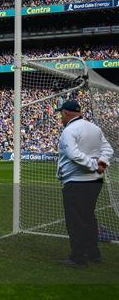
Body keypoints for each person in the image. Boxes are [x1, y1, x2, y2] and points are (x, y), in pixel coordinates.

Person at [56, 100, 114, 267]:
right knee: (88, 217)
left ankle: (78, 257)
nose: (61, 117)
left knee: (76, 221)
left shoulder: (69, 131)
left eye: (61, 113)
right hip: (95, 182)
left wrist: (94, 165)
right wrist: (101, 164)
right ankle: (93, 252)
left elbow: (73, 154)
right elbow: (108, 149)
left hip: (77, 182)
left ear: (66, 113)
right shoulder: (94, 128)